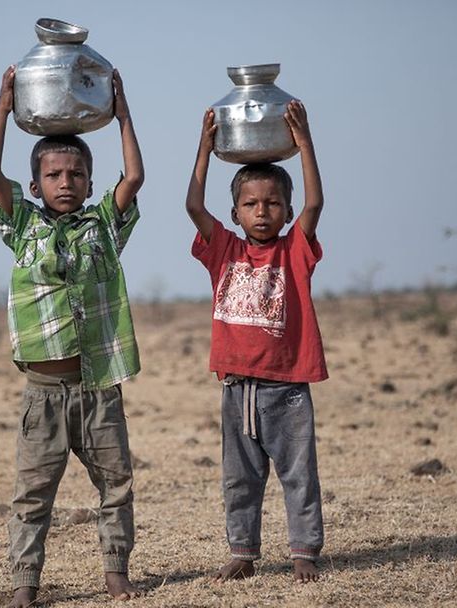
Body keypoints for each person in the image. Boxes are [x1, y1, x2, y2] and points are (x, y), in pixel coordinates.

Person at [0, 65, 145, 607]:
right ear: (36, 186)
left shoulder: (103, 226)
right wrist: (3, 107)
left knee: (116, 485)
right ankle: (25, 586)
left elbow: (135, 178)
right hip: (42, 396)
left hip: (98, 389)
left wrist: (121, 113)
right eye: (54, 176)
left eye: (75, 175)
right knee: (32, 496)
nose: (66, 183)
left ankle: (116, 572)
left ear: (90, 183)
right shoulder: (23, 226)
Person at [185, 100, 326, 584]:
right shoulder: (224, 248)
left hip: (286, 391)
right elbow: (192, 207)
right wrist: (204, 148)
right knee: (239, 480)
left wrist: (304, 142)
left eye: (271, 204)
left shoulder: (294, 251)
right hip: (235, 389)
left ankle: (304, 552)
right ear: (235, 212)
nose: (261, 212)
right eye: (251, 204)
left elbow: (315, 205)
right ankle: (242, 553)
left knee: (298, 476)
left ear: (285, 212)